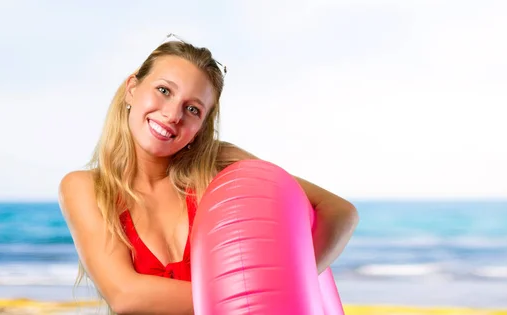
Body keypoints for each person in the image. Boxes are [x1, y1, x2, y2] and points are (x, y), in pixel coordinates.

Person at [59, 34, 359, 315]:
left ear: (201, 126)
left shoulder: (222, 168)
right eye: (163, 91)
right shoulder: (86, 188)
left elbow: (340, 211)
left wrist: (289, 284)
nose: (172, 114)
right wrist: (251, 297)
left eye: (192, 109)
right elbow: (126, 295)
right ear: (132, 89)